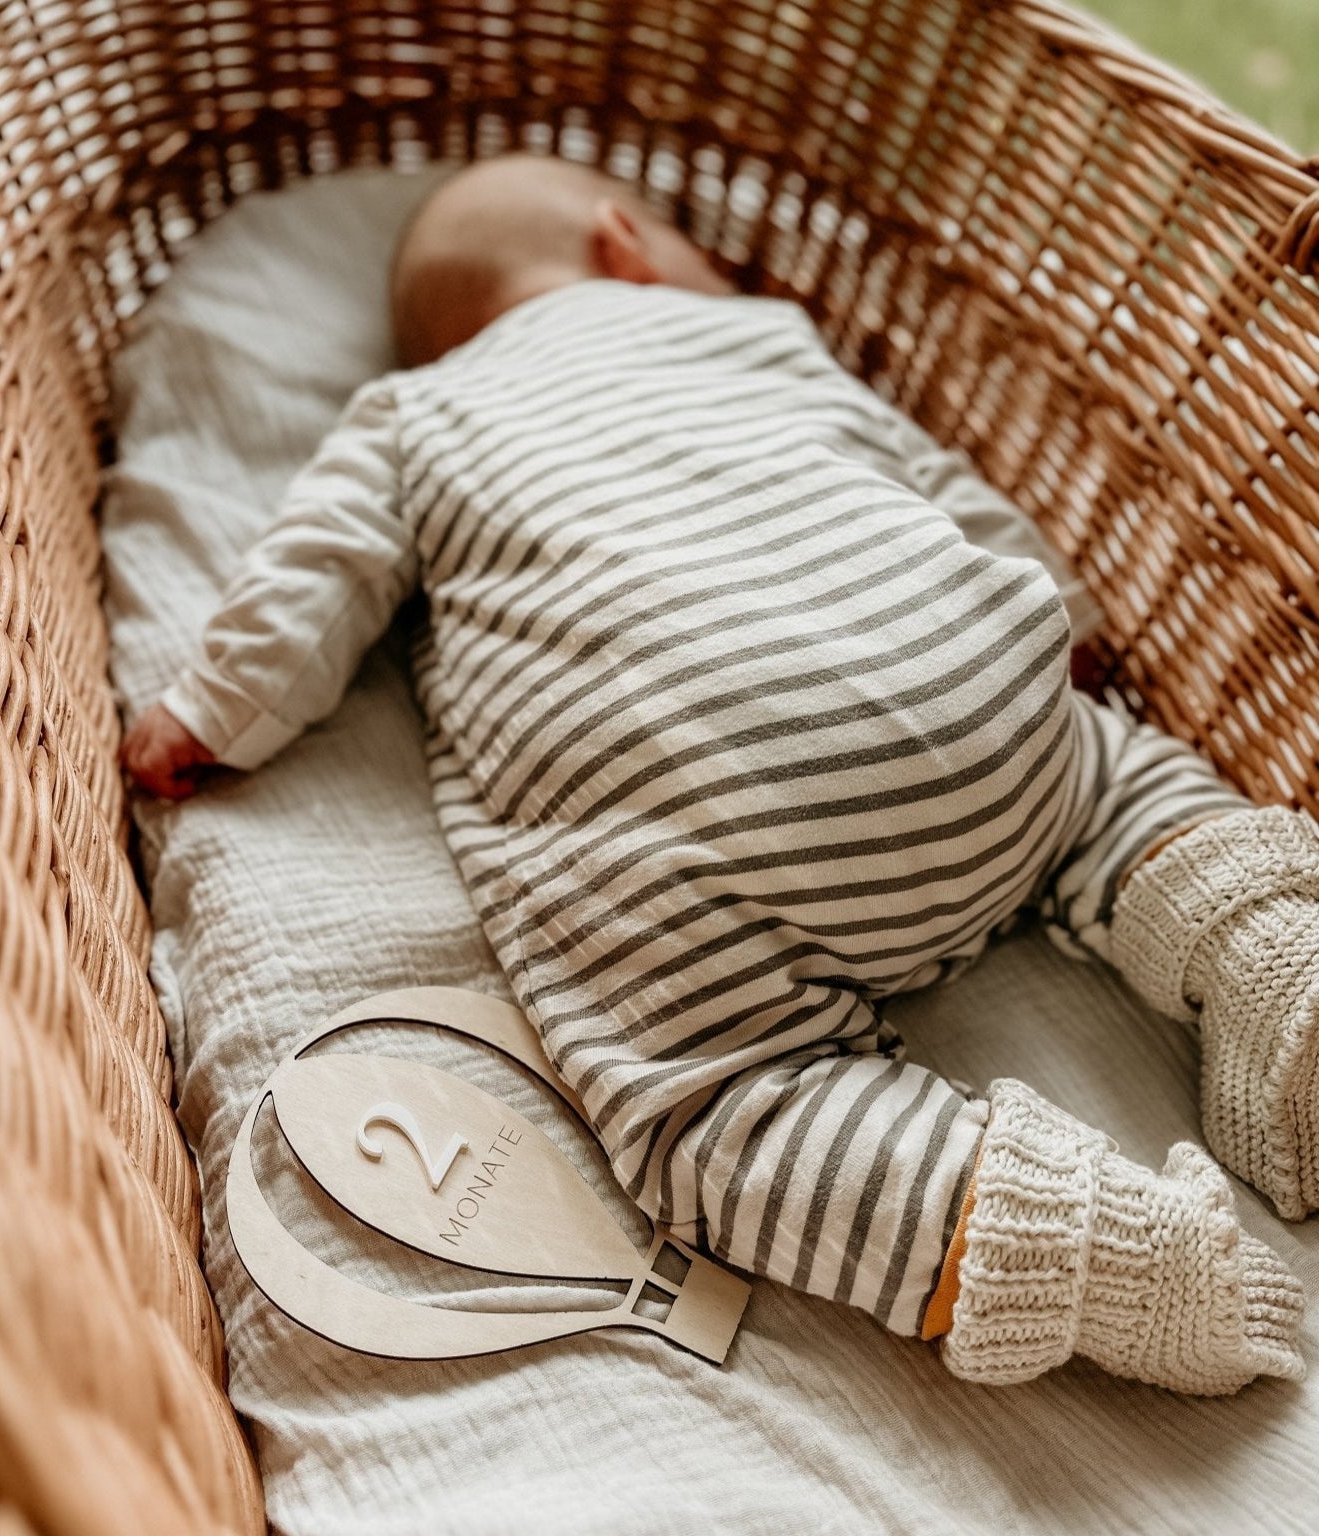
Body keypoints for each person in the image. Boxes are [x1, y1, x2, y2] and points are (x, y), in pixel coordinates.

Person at [122, 155, 1310, 1394]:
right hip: (978, 708)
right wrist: (1048, 621)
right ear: (624, 241)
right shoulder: (762, 338)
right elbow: (950, 493)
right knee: (1106, 780)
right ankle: (1267, 952)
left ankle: (1067, 1246)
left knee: (712, 1107)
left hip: (725, 834)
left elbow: (311, 584)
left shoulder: (414, 416)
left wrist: (209, 712)